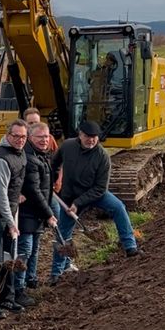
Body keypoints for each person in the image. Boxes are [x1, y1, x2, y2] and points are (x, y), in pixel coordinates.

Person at [49, 120, 140, 285]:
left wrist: (79, 202)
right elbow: (54, 165)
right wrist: (52, 180)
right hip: (69, 197)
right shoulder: (68, 146)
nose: (91, 140)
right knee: (62, 233)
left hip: (95, 194)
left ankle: (130, 246)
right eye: (88, 137)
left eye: (94, 137)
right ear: (80, 135)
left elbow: (100, 188)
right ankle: (57, 273)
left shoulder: (102, 156)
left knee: (119, 207)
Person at [0, 119, 28, 317]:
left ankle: (7, 298)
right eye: (16, 136)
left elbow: (14, 190)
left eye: (23, 136)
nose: (20, 140)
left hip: (10, 213)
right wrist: (10, 223)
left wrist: (13, 216)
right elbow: (0, 197)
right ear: (8, 135)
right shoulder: (0, 160)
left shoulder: (19, 154)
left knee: (10, 258)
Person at [15, 122, 57, 305]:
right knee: (25, 250)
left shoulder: (41, 156)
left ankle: (30, 279)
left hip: (36, 214)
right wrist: (49, 213)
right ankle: (18, 289)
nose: (44, 140)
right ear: (31, 138)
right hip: (27, 214)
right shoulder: (31, 159)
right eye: (40, 137)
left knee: (35, 248)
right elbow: (34, 190)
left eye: (47, 136)